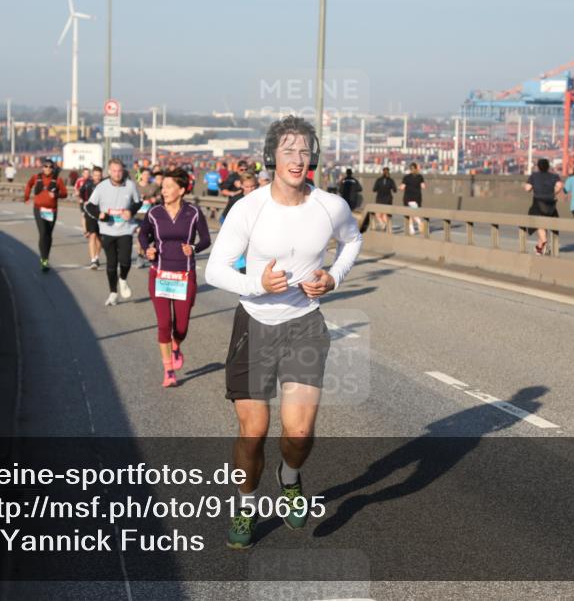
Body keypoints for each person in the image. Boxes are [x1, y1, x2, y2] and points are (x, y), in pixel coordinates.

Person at [205, 115, 362, 549]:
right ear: (272, 156)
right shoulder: (249, 208)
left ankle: (289, 478)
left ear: (314, 157)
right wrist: (257, 283)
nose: (297, 159)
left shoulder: (330, 206)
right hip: (255, 325)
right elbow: (214, 270)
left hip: (304, 324)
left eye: (305, 151)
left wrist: (333, 277)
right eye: (288, 150)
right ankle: (246, 504)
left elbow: (352, 241)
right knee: (253, 430)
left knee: (298, 433)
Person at [138, 169, 212, 387]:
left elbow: (206, 239)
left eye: (169, 187)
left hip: (184, 275)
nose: (164, 191)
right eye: (163, 187)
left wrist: (194, 248)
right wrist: (147, 248)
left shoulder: (193, 212)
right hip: (160, 273)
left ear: (181, 190)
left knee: (181, 327)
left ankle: (176, 344)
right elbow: (143, 234)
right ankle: (168, 370)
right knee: (164, 324)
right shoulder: (154, 212)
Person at [85, 159, 143, 305]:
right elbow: (89, 205)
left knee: (125, 260)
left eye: (119, 171)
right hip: (108, 229)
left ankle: (122, 279)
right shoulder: (101, 187)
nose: (117, 174)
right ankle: (113, 293)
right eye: (114, 171)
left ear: (123, 171)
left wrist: (131, 211)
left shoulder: (130, 185)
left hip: (125, 229)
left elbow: (138, 202)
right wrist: (99, 214)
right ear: (109, 172)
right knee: (111, 264)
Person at [24, 159, 68, 272]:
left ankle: (46, 258)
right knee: (43, 233)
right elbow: (29, 184)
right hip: (39, 209)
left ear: (53, 168)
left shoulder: (57, 180)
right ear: (42, 167)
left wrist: (56, 195)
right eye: (45, 166)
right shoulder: (36, 177)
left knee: (48, 235)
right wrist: (26, 197)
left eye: (50, 167)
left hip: (52, 211)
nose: (47, 168)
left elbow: (65, 194)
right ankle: (43, 259)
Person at [525, 158, 562, 255]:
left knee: (539, 223)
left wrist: (533, 187)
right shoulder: (554, 176)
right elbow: (559, 185)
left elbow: (527, 189)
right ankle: (539, 248)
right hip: (550, 203)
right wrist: (553, 193)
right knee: (544, 225)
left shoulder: (534, 176)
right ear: (548, 166)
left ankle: (545, 242)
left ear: (538, 166)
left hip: (538, 203)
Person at [79, 166, 103, 269]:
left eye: (99, 175)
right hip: (90, 212)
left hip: (102, 213)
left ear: (101, 175)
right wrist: (84, 201)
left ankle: (97, 256)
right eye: (95, 175)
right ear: (92, 175)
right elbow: (81, 192)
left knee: (100, 238)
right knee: (92, 235)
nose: (97, 177)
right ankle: (93, 260)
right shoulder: (88, 183)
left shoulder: (105, 184)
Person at [400, 162, 426, 235]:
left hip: (408, 198)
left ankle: (414, 227)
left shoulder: (406, 177)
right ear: (416, 168)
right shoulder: (420, 177)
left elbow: (402, 188)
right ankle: (417, 224)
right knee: (414, 212)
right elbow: (423, 186)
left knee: (409, 214)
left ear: (410, 169)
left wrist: (400, 187)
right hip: (417, 198)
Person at [372, 166, 397, 231]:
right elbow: (395, 190)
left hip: (380, 199)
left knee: (378, 214)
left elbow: (374, 189)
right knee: (384, 214)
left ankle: (383, 224)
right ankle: (385, 226)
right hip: (388, 199)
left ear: (383, 172)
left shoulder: (379, 180)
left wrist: (380, 188)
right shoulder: (391, 180)